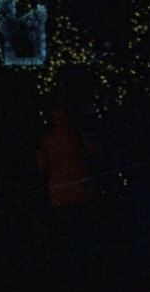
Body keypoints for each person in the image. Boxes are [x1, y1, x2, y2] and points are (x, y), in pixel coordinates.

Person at [36, 103, 101, 254]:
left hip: (59, 192)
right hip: (80, 189)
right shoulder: (77, 135)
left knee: (65, 230)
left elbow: (42, 165)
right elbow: (97, 152)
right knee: (81, 227)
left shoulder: (48, 139)